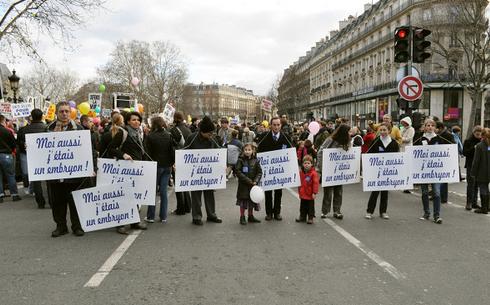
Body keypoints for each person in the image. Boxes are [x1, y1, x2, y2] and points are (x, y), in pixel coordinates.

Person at [45, 102, 87, 237]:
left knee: (75, 202)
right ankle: (61, 226)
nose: (64, 114)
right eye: (61, 111)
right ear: (57, 113)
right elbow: (41, 148)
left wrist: (90, 167)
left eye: (66, 111)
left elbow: (87, 150)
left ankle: (77, 226)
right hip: (55, 175)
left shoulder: (79, 129)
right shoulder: (48, 129)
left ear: (70, 113)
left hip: (74, 174)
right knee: (57, 202)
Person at [108, 111, 148, 234]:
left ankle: (134, 221)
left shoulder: (139, 133)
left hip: (136, 170)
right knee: (123, 197)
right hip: (125, 170)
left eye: (138, 120)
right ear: (128, 122)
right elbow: (111, 149)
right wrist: (123, 154)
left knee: (135, 196)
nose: (137, 122)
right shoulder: (123, 133)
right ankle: (119, 224)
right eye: (134, 120)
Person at [184, 116, 223, 225]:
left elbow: (218, 154)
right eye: (209, 133)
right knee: (196, 195)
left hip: (209, 173)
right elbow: (183, 153)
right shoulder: (191, 138)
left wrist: (222, 166)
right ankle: (196, 217)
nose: (211, 135)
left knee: (209, 194)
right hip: (195, 173)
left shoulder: (213, 139)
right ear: (202, 132)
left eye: (212, 133)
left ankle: (211, 215)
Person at [257, 117, 292, 221]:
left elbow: (291, 151)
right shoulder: (264, 136)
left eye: (278, 125)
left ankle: (277, 212)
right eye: (274, 125)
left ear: (281, 125)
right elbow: (259, 151)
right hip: (267, 170)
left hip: (280, 171)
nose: (276, 127)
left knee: (278, 192)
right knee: (268, 192)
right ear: (270, 125)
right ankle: (269, 213)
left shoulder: (286, 137)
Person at [413, 118, 446, 224]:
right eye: (428, 125)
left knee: (436, 193)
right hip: (423, 171)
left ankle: (437, 215)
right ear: (424, 127)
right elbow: (414, 153)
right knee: (425, 192)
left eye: (432, 125)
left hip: (436, 170)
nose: (430, 127)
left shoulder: (440, 139)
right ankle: (426, 213)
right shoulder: (419, 139)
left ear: (435, 127)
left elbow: (446, 151)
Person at [365, 123, 400, 219]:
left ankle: (383, 211)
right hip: (377, 172)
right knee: (375, 192)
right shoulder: (375, 141)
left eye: (385, 130)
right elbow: (369, 154)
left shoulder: (393, 143)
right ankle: (369, 211)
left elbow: (397, 157)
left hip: (388, 172)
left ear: (389, 130)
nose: (382, 132)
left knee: (385, 192)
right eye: (381, 130)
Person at [316, 124, 351, 219]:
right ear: (343, 132)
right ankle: (325, 211)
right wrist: (322, 167)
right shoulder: (330, 140)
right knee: (328, 192)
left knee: (339, 191)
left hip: (339, 171)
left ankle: (337, 211)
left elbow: (350, 155)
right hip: (329, 170)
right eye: (348, 131)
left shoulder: (347, 141)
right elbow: (320, 152)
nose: (349, 133)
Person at [145, 116, 175, 223]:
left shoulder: (150, 136)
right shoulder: (169, 135)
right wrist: (172, 163)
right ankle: (163, 216)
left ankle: (151, 216)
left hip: (155, 165)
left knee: (152, 191)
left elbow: (147, 153)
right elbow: (172, 151)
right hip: (167, 166)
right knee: (163, 192)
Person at [16, 109, 47, 208]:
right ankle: (51, 201)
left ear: (32, 117)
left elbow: (19, 143)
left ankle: (40, 202)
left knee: (36, 180)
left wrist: (24, 146)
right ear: (42, 116)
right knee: (49, 180)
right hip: (46, 157)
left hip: (32, 157)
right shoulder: (46, 128)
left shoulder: (24, 130)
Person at [170, 112, 192, 215]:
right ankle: (188, 206)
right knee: (185, 184)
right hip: (187, 159)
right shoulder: (188, 129)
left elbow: (172, 146)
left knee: (178, 185)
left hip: (177, 158)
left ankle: (181, 208)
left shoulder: (173, 130)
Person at [235, 143, 262, 225]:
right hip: (243, 185)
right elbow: (238, 172)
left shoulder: (256, 160)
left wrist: (255, 181)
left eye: (249, 150)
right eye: (245, 150)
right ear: (243, 151)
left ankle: (251, 216)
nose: (247, 151)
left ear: (253, 150)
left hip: (253, 185)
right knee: (243, 202)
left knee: (251, 201)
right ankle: (242, 217)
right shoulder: (240, 160)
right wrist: (248, 181)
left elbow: (259, 172)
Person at [0, 115, 21, 203]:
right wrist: (12, 150)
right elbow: (13, 143)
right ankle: (14, 195)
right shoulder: (7, 131)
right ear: (3, 120)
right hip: (6, 154)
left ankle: (0, 195)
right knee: (10, 175)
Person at [463, 126, 483, 210]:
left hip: (480, 165)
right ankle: (469, 203)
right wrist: (474, 148)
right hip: (471, 165)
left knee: (476, 185)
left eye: (480, 134)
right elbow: (465, 153)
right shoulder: (468, 141)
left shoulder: (483, 141)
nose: (478, 136)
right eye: (477, 134)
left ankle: (474, 202)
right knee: (471, 184)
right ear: (474, 133)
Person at [436, 121, 456, 204]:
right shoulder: (437, 135)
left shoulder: (448, 135)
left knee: (443, 179)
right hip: (437, 159)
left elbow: (453, 145)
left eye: (436, 128)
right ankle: (437, 195)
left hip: (445, 160)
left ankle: (443, 198)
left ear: (440, 128)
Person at [296, 155, 319, 224]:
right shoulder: (301, 173)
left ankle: (310, 217)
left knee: (310, 207)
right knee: (302, 206)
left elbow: (315, 183)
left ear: (311, 164)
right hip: (303, 193)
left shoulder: (313, 173)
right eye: (305, 163)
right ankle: (302, 216)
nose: (307, 165)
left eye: (308, 163)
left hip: (310, 194)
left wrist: (314, 193)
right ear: (302, 164)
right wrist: (299, 191)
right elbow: (299, 182)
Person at [471, 128, 490, 214]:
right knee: (486, 188)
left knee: (483, 188)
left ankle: (484, 208)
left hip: (482, 171)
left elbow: (476, 161)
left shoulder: (479, 146)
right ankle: (488, 206)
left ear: (482, 136)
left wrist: (473, 172)